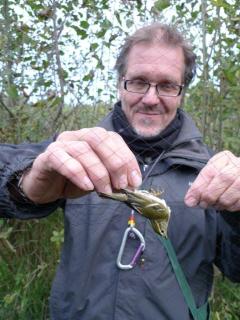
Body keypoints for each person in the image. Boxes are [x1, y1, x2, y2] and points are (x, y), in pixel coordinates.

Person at [1, 23, 240, 320]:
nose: (151, 98)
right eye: (139, 82)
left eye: (167, 85)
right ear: (120, 83)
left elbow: (236, 268)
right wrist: (22, 182)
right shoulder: (77, 151)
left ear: (182, 92)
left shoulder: (211, 172)